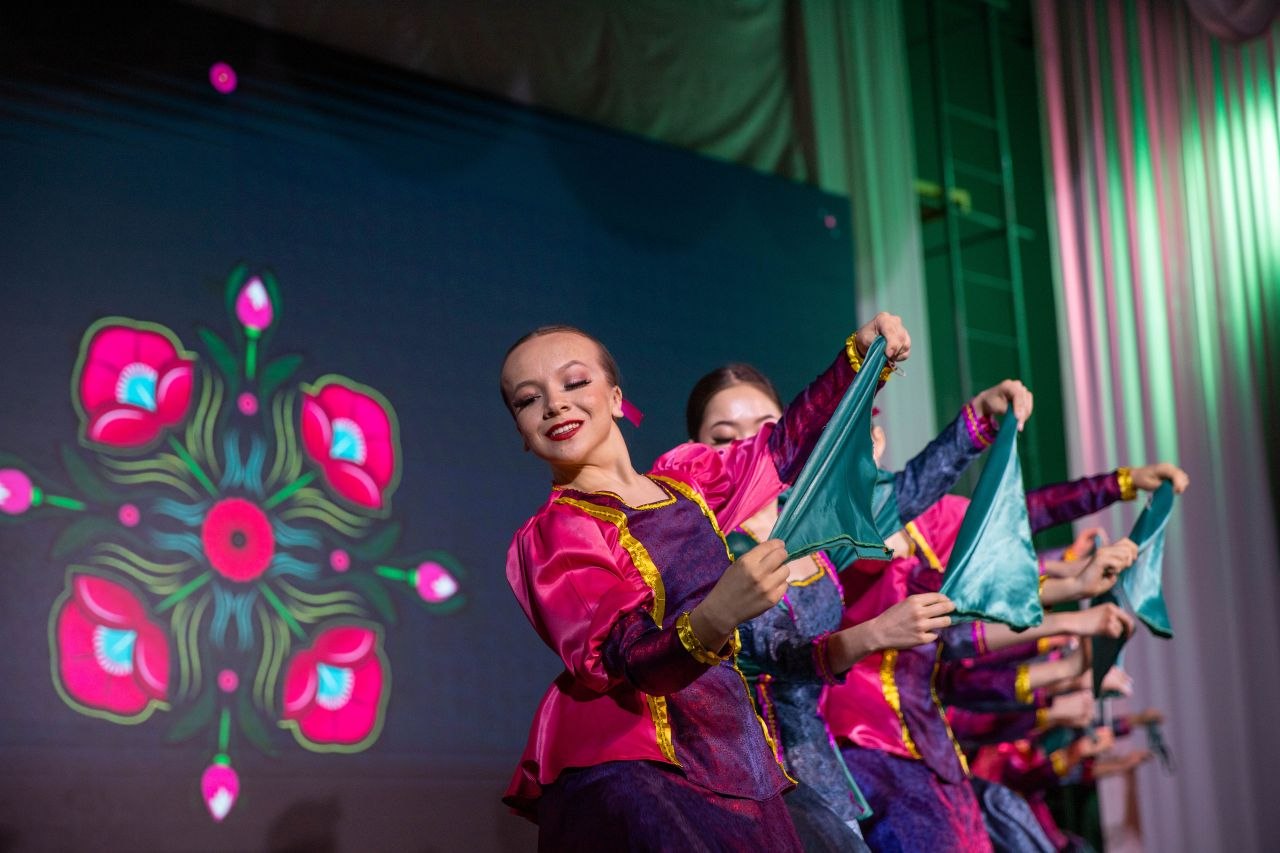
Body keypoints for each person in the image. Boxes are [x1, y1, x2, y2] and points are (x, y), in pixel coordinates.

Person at [499, 316, 910, 851]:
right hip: (633, 766)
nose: (555, 404)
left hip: (732, 750)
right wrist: (718, 615)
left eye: (574, 382)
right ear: (521, 432)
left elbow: (782, 448)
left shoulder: (689, 483)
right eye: (528, 400)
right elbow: (622, 659)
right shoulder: (558, 532)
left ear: (617, 399)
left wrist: (859, 361)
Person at [686, 364, 1033, 851]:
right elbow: (781, 653)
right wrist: (874, 634)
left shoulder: (808, 524)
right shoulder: (705, 548)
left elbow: (908, 492)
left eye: (767, 429)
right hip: (749, 788)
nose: (749, 447)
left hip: (823, 778)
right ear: (697, 452)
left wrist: (979, 416)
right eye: (725, 438)